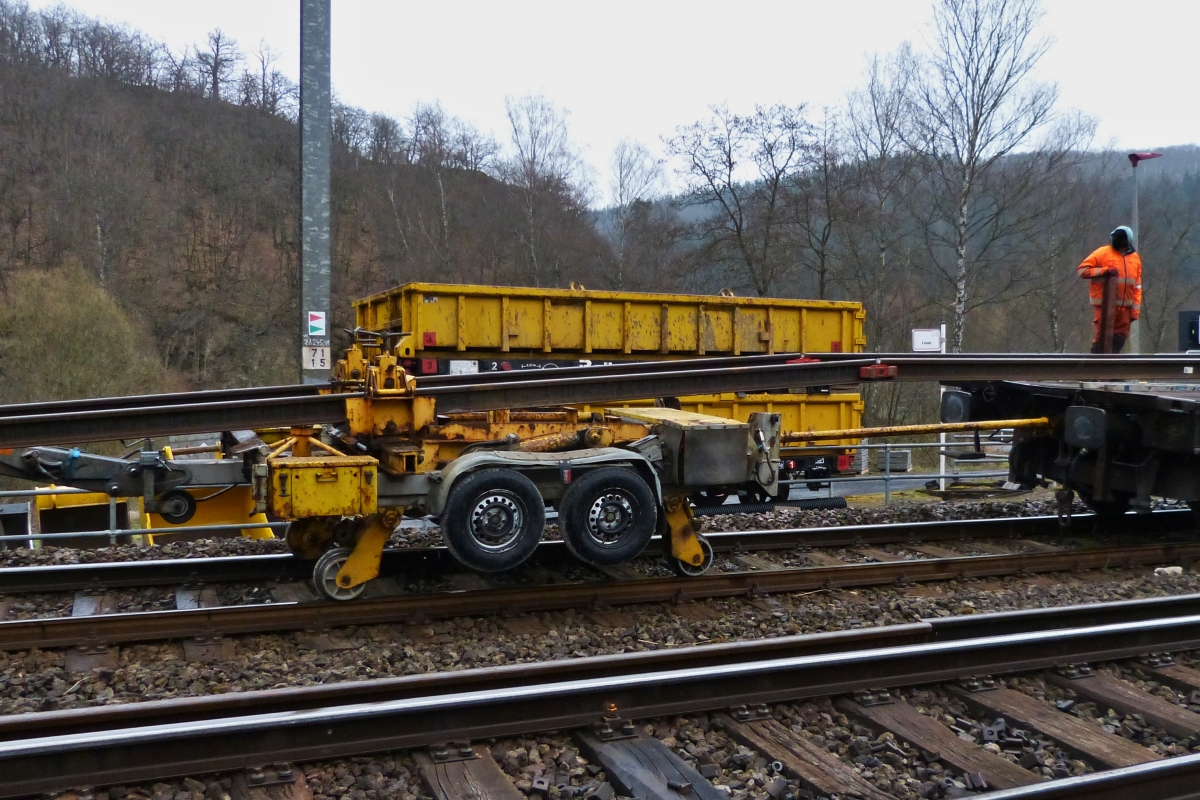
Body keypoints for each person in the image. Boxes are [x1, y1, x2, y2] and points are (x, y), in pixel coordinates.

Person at [1077, 226, 1142, 353]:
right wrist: (1103, 271)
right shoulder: (1102, 253)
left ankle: (1108, 367)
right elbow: (1082, 271)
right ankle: (1095, 367)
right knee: (1101, 339)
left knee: (1119, 339)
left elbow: (1137, 287)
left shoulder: (1135, 258)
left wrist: (1134, 312)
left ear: (1127, 241)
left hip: (1125, 311)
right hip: (1104, 307)